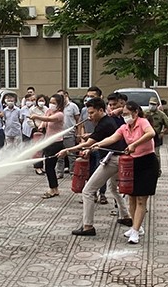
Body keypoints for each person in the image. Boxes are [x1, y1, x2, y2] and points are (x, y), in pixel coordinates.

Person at [59, 97, 132, 236]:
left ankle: (88, 227)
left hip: (113, 160)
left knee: (88, 191)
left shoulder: (104, 124)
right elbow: (99, 138)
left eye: (92, 113)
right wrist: (90, 139)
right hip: (118, 159)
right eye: (88, 113)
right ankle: (126, 216)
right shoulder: (106, 122)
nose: (89, 116)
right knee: (112, 188)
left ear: (101, 110)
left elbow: (89, 143)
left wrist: (67, 150)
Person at [91, 101, 157, 245]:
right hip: (132, 163)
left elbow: (151, 133)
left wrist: (134, 144)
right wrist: (98, 144)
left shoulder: (143, 122)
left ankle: (135, 231)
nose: (125, 117)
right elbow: (113, 138)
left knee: (141, 199)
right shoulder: (124, 127)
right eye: (123, 114)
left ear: (135, 112)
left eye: (127, 114)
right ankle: (136, 227)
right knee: (132, 198)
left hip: (147, 163)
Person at [30, 93, 66, 199]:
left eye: (54, 103)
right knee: (49, 167)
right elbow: (45, 121)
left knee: (49, 167)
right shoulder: (49, 111)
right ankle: (54, 188)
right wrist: (41, 127)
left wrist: (36, 116)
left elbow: (49, 120)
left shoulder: (60, 114)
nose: (51, 105)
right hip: (48, 142)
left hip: (56, 143)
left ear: (59, 105)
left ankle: (53, 189)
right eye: (50, 102)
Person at [145, 96, 168, 176]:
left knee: (156, 154)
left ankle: (157, 170)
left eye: (153, 104)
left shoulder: (161, 114)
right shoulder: (145, 112)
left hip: (156, 136)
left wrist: (162, 132)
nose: (152, 106)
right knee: (146, 154)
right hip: (146, 136)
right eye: (150, 104)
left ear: (157, 105)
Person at [57, 90, 80, 178]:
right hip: (59, 135)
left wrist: (77, 132)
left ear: (66, 95)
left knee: (71, 155)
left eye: (61, 96)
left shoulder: (73, 106)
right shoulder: (57, 107)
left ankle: (73, 172)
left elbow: (78, 119)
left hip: (70, 134)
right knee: (59, 156)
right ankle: (59, 172)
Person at [29, 95, 49, 175]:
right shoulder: (32, 109)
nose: (41, 102)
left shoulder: (47, 109)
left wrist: (44, 126)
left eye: (43, 100)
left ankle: (41, 166)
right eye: (39, 100)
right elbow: (29, 120)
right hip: (36, 129)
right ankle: (37, 167)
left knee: (43, 149)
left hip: (45, 130)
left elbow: (48, 119)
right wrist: (36, 126)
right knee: (37, 149)